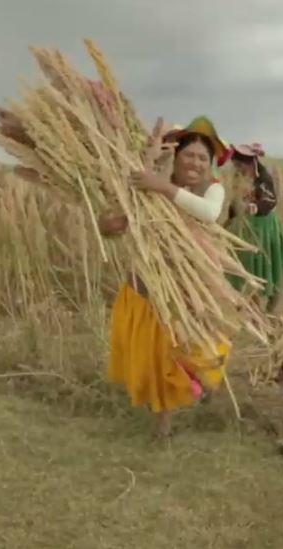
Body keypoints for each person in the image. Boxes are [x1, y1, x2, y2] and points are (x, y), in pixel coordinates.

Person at [98, 115, 234, 438]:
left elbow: (209, 214)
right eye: (189, 154)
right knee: (157, 353)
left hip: (190, 284)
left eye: (203, 157)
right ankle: (163, 421)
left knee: (198, 345)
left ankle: (201, 386)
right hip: (150, 280)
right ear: (176, 154)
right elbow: (115, 218)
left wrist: (162, 187)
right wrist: (110, 227)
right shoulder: (149, 181)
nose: (196, 163)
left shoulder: (212, 190)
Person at [225, 142, 283, 313]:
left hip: (266, 229)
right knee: (249, 271)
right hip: (247, 229)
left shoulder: (263, 179)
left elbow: (270, 200)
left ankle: (271, 312)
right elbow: (235, 202)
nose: (238, 169)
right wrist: (229, 221)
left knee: (271, 270)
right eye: (235, 165)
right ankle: (253, 311)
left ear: (251, 163)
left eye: (240, 165)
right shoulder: (239, 179)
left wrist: (257, 207)